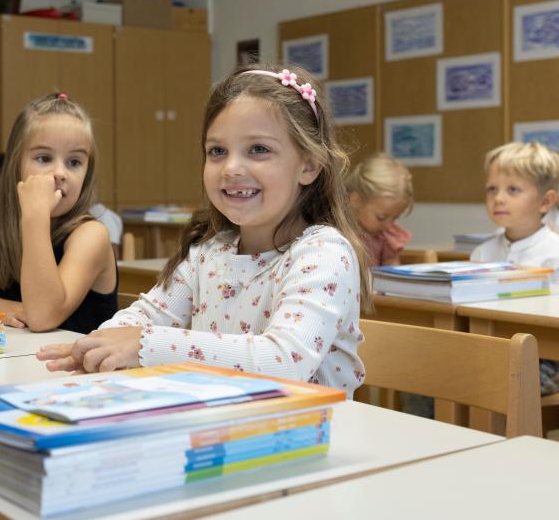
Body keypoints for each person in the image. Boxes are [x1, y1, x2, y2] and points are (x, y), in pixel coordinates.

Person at [39, 65, 369, 396]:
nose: (231, 168)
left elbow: (283, 361)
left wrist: (142, 343)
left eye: (258, 149)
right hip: (225, 421)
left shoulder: (324, 253)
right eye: (217, 151)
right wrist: (97, 344)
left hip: (312, 426)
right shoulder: (210, 252)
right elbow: (149, 315)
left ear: (308, 165)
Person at [0, 93, 117, 333]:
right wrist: (0, 307)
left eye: (74, 162)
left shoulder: (91, 235)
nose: (60, 173)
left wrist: (36, 216)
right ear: (16, 165)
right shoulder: (1, 229)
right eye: (44, 158)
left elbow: (42, 317)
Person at [470, 141, 559, 396]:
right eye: (492, 189)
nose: (498, 198)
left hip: (543, 361)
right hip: (489, 349)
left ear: (545, 201)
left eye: (513, 189)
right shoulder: (482, 253)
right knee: (428, 377)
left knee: (477, 382)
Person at [347, 153, 414, 266]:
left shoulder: (387, 237)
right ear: (355, 200)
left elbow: (392, 272)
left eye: (395, 218)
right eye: (381, 217)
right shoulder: (337, 234)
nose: (388, 225)